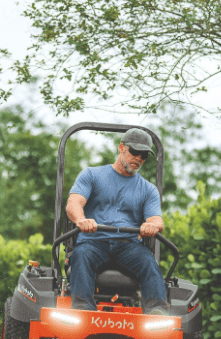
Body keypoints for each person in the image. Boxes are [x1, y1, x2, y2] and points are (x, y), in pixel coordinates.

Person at [65, 128, 169, 315]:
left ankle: (157, 314)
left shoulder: (148, 189)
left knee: (148, 261)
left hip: (128, 246)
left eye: (144, 155)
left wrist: (151, 225)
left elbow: (156, 220)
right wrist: (81, 220)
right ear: (121, 148)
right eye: (134, 152)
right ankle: (83, 312)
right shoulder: (92, 175)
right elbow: (74, 203)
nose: (139, 158)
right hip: (94, 242)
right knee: (81, 256)